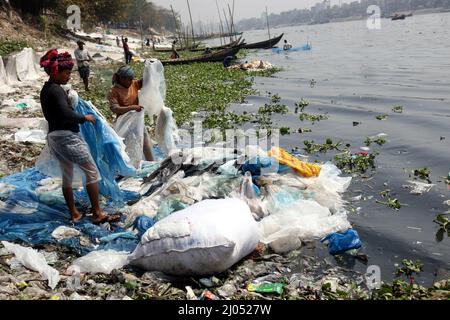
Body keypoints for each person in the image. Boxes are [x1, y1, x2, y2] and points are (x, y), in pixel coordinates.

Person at [39, 49, 120, 224]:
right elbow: (65, 113)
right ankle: (98, 213)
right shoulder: (55, 90)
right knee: (91, 171)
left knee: (67, 175)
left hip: (54, 136)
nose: (69, 76)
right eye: (66, 73)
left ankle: (74, 212)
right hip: (67, 136)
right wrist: (84, 117)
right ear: (56, 72)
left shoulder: (46, 90)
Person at [107, 66, 154, 163]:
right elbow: (115, 109)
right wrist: (132, 107)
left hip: (137, 119)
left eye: (131, 79)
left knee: (144, 139)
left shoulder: (134, 84)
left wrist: (149, 68)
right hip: (124, 122)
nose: (130, 81)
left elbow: (146, 81)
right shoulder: (114, 91)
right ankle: (124, 166)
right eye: (128, 80)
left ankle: (151, 162)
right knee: (124, 144)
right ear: (122, 79)